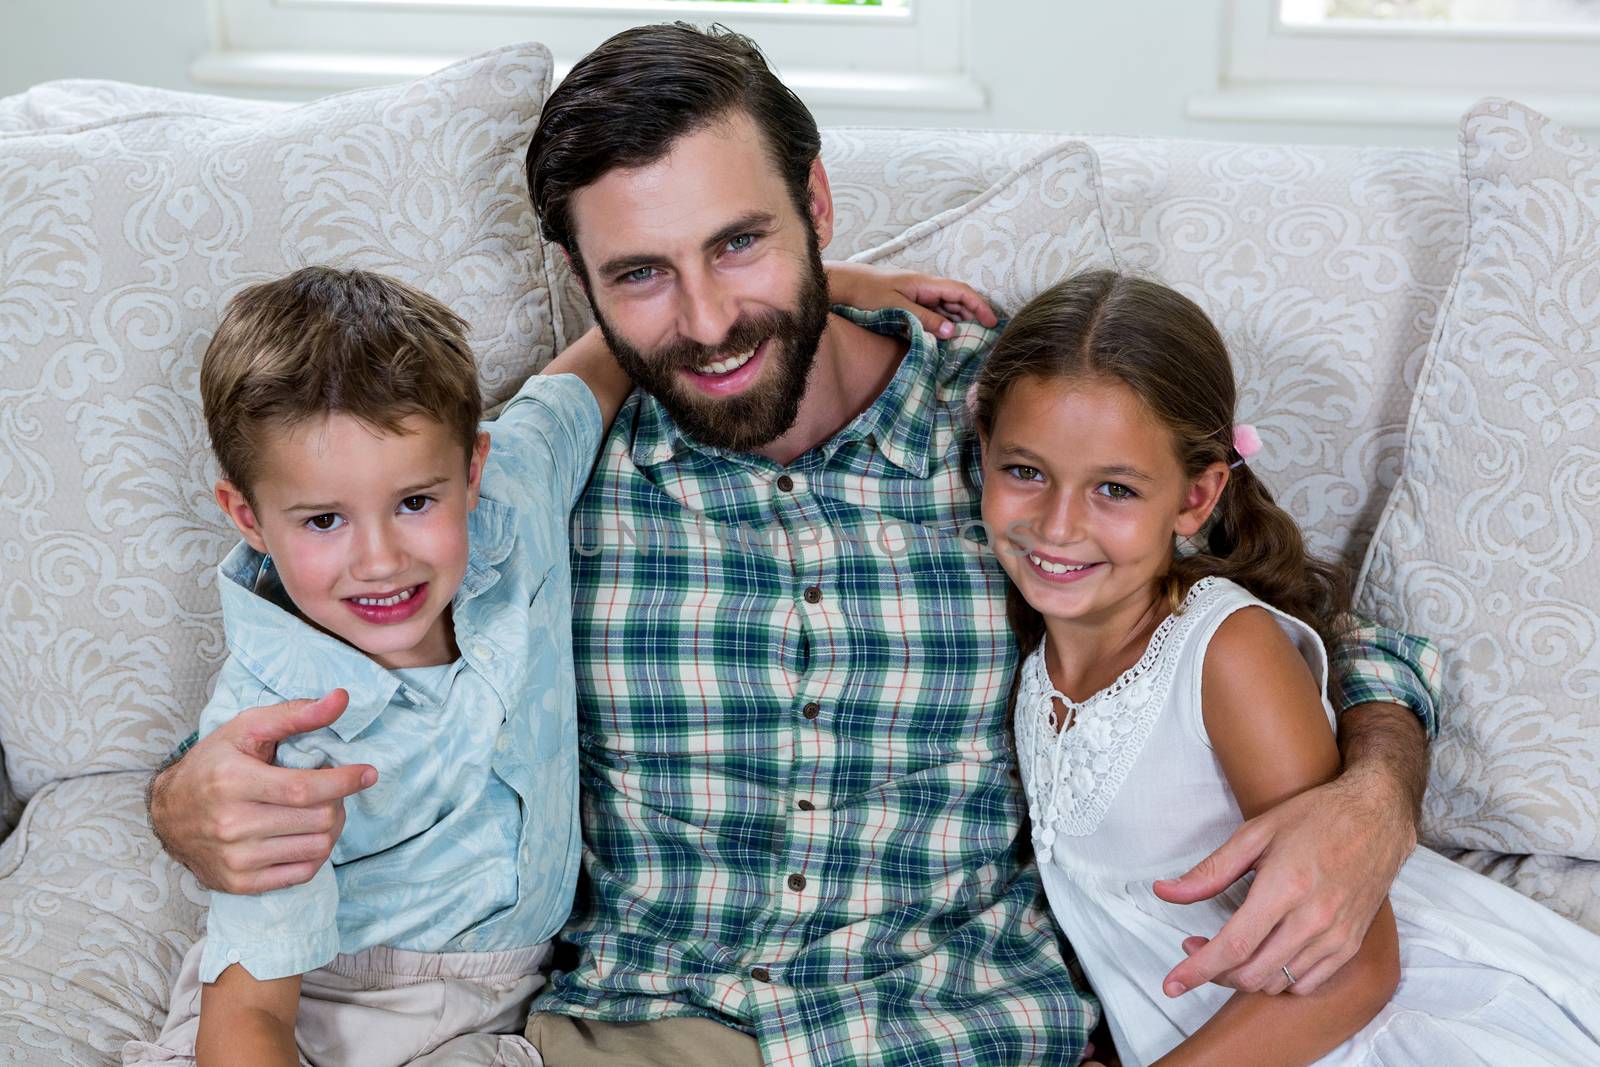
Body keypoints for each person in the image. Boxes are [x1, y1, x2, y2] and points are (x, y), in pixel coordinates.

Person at [147, 23, 1445, 1067]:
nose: (709, 320)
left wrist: (1375, 793)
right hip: (638, 1030)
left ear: (818, 203)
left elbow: (1298, 618)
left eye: (741, 242)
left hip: (965, 1029)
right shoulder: (523, 488)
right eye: (642, 273)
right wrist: (181, 797)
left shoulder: (1012, 437)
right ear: (581, 282)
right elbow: (326, 609)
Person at [980, 270, 1600, 1067]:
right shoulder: (1032, 651)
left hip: (1354, 1029)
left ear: (1197, 497)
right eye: (1024, 471)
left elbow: (1357, 968)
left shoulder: (1224, 652)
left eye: (1114, 489)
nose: (1058, 525)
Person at [124, 266, 633, 1066]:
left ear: (471, 471)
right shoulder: (273, 745)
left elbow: (596, 371)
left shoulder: (515, 494)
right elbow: (250, 1012)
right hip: (318, 1008)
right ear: (248, 517)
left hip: (500, 1012)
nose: (380, 559)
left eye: (414, 503)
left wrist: (825, 285)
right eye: (324, 519)